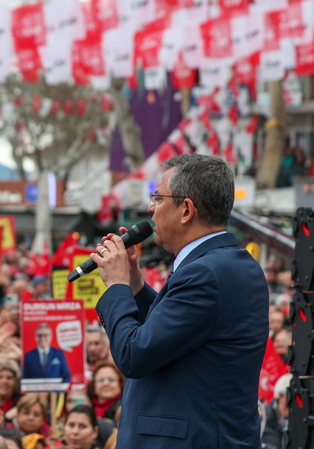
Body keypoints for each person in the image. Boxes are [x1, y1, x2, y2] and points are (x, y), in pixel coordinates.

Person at [90, 154, 269, 448]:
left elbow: (133, 355)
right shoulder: (230, 264)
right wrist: (135, 286)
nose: (150, 208)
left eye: (157, 198)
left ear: (186, 210)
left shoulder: (205, 273)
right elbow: (176, 334)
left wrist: (117, 286)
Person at [261, 373, 291, 449]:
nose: (292, 405)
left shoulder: (300, 423)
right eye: (290, 397)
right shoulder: (263, 420)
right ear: (280, 395)